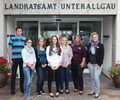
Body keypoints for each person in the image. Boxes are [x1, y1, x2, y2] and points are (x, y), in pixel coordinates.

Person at [8, 27, 26, 95]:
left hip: (22, 59)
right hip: (14, 59)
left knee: (22, 74)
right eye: (18, 31)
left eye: (20, 31)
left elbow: (26, 49)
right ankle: (12, 90)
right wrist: (10, 59)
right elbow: (9, 49)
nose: (19, 32)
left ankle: (22, 88)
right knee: (13, 75)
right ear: (16, 31)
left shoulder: (24, 39)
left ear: (22, 32)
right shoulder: (12, 39)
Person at [86, 32, 104, 98]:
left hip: (97, 64)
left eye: (95, 37)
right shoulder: (89, 45)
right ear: (92, 38)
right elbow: (87, 54)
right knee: (92, 77)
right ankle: (93, 90)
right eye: (93, 37)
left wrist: (99, 64)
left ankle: (97, 92)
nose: (94, 38)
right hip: (91, 63)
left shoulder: (101, 45)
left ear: (98, 38)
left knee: (96, 77)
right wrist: (87, 63)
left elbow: (102, 56)